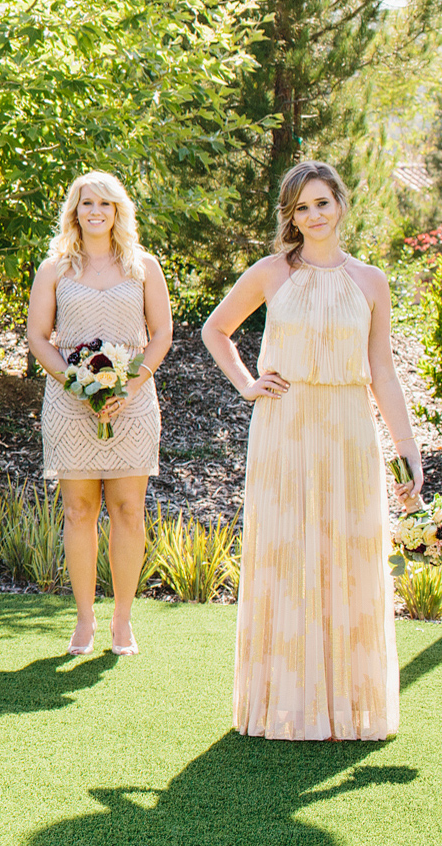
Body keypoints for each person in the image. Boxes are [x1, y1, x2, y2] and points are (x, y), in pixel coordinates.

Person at [202, 160, 422, 741]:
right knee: (290, 553)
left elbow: (382, 369)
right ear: (290, 216)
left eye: (322, 202)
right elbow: (215, 330)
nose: (314, 215)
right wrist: (248, 384)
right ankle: (283, 706)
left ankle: (349, 710)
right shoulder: (272, 272)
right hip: (286, 426)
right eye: (302, 206)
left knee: (346, 557)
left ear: (340, 205)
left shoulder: (371, 280)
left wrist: (407, 448)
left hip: (349, 428)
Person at [25, 172, 171, 657]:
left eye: (105, 204)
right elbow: (39, 339)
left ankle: (122, 622)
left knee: (129, 511)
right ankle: (85, 620)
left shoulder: (143, 266)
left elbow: (161, 336)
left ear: (117, 212)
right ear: (74, 210)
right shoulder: (55, 269)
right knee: (79, 510)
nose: (95, 212)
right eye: (87, 203)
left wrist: (131, 382)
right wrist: (75, 381)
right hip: (71, 401)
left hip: (132, 401)